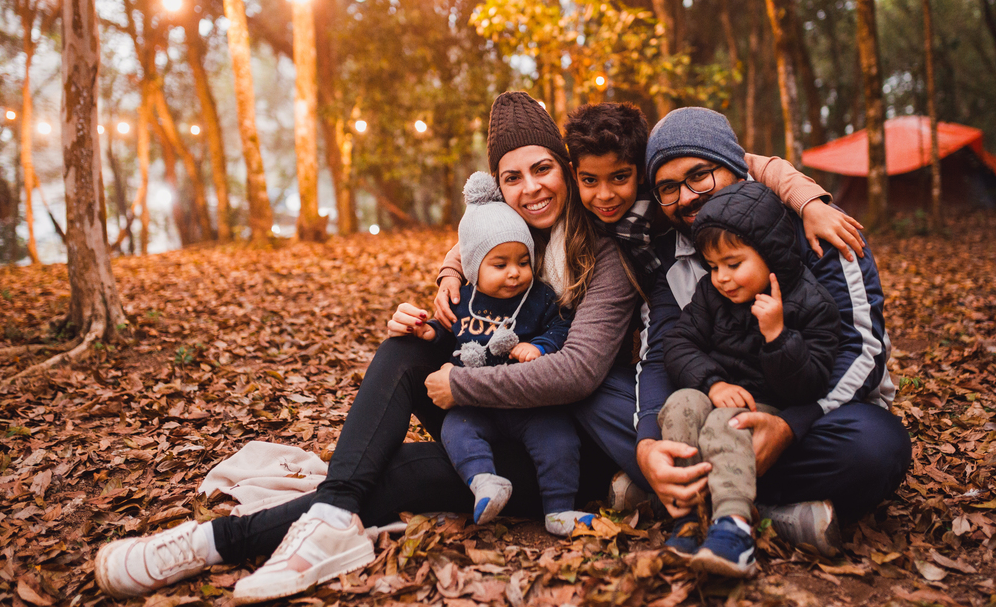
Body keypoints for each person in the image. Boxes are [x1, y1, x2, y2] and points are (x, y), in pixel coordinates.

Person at [95, 91, 642, 605]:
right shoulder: (512, 242)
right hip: (496, 421)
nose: (532, 189)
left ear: (566, 171)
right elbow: (468, 250)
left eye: (543, 169)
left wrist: (459, 383)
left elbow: (576, 373)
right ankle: (330, 514)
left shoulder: (604, 254)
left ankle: (210, 544)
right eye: (512, 177)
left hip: (562, 455)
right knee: (404, 347)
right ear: (496, 188)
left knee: (393, 472)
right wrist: (443, 293)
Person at [636, 107, 912, 558]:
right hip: (715, 409)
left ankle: (716, 502)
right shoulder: (667, 253)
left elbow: (861, 348)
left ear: (737, 168)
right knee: (630, 416)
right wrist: (649, 445)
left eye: (699, 176)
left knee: (877, 447)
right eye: (668, 189)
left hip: (816, 414)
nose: (686, 197)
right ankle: (759, 511)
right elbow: (664, 348)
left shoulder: (819, 229)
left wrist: (789, 426)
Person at [657, 182, 840, 576]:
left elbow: (811, 385)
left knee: (728, 422)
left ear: (770, 253)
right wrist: (712, 383)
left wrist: (778, 336)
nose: (721, 277)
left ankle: (733, 528)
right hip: (718, 391)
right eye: (713, 266)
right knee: (681, 404)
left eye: (733, 264)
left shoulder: (812, 303)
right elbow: (678, 343)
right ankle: (689, 517)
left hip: (765, 410)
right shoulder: (711, 294)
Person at [415, 172, 595, 536]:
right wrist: (427, 332)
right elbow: (445, 335)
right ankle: (484, 481)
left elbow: (563, 326)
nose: (515, 273)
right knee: (457, 428)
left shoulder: (540, 297)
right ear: (473, 269)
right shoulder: (463, 299)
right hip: (474, 405)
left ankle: (559, 509)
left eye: (523, 261)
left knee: (558, 438)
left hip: (530, 405)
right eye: (500, 265)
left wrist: (540, 346)